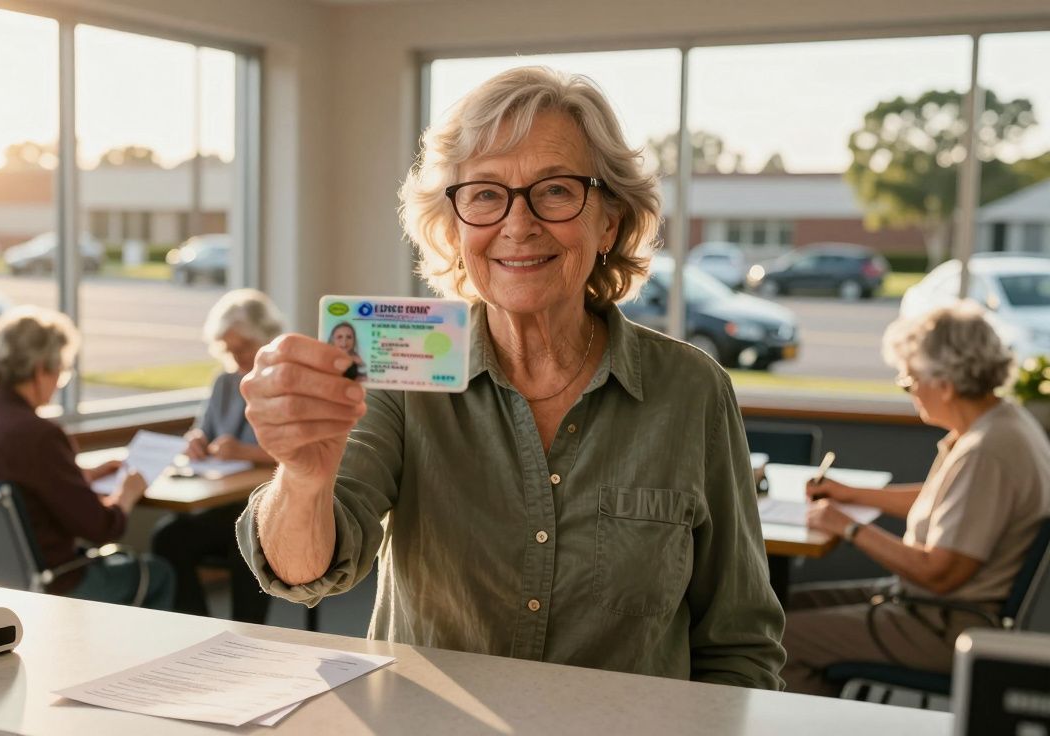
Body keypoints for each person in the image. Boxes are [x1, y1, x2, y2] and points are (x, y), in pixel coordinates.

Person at [233, 66, 785, 686]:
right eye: (485, 194)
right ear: (454, 226)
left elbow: (739, 644)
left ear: (608, 221)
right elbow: (304, 573)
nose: (518, 225)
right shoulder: (400, 376)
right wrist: (303, 477)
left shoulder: (691, 390)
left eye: (556, 190)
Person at [782, 302, 1050, 696]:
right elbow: (947, 503)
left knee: (779, 640)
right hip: (932, 608)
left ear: (945, 383)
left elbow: (939, 573)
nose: (909, 391)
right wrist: (851, 494)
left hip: (946, 623)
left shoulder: (987, 451)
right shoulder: (1002, 423)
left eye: (909, 381)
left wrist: (849, 528)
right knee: (775, 609)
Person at [0, 305, 174, 610]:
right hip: (54, 586)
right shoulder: (39, 435)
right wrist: (126, 493)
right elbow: (101, 529)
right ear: (41, 370)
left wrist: (78, 476)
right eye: (61, 370)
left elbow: (9, 484)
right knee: (160, 574)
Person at [151, 289, 283, 623]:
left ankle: (248, 636)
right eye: (229, 349)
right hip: (224, 503)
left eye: (244, 347)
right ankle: (197, 626)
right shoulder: (224, 381)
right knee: (169, 537)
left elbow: (300, 454)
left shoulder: (287, 383)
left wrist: (246, 452)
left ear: (267, 339)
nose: (236, 357)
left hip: (269, 506)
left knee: (247, 543)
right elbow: (202, 432)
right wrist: (195, 441)